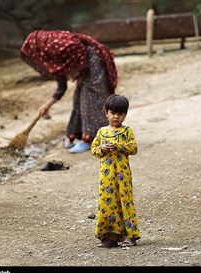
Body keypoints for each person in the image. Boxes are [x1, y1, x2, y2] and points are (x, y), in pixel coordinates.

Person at [20, 30, 118, 153]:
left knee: (91, 97)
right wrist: (47, 105)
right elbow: (62, 87)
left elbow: (78, 48)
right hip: (84, 64)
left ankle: (91, 139)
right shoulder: (51, 57)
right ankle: (74, 135)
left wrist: (82, 71)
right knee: (78, 97)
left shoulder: (55, 44)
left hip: (93, 59)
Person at [91, 94, 140, 248]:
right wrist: (103, 149)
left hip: (123, 175)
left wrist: (119, 146)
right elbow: (94, 149)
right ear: (106, 113)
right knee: (107, 203)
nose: (116, 117)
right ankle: (110, 236)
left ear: (125, 115)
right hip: (107, 177)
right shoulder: (101, 132)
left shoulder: (127, 132)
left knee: (124, 202)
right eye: (113, 113)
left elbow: (133, 148)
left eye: (120, 114)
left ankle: (128, 235)